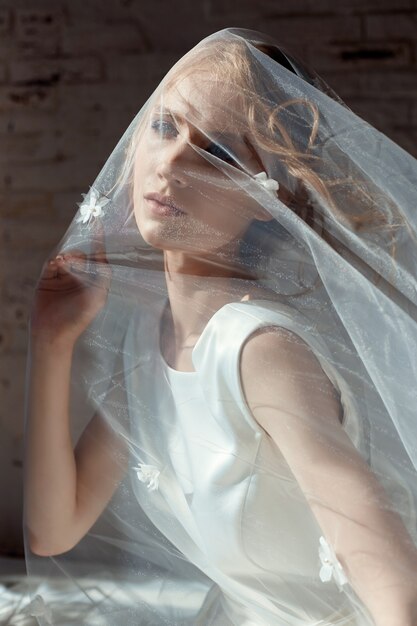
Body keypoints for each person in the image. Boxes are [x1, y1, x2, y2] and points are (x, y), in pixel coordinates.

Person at [23, 28, 417, 625]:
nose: (175, 162)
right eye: (165, 127)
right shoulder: (150, 336)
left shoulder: (260, 353)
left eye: (221, 153)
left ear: (269, 197)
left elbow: (400, 593)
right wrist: (52, 341)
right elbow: (55, 528)